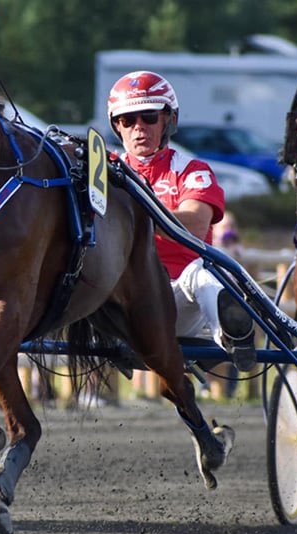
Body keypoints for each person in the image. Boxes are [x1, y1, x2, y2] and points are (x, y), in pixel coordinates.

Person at [107, 70, 254, 370]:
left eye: (149, 116)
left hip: (174, 302)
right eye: (128, 119)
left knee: (203, 271)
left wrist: (131, 214)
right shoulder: (105, 169)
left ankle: (232, 338)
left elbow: (195, 225)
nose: (138, 127)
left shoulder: (191, 170)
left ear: (168, 120)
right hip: (115, 301)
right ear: (117, 126)